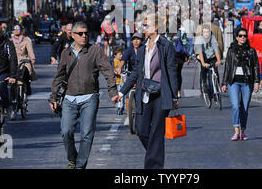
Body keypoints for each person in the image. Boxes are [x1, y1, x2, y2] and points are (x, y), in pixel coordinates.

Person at [49, 22, 118, 169]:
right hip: (69, 98)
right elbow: (59, 77)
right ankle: (72, 158)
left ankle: (80, 166)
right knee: (66, 131)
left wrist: (113, 92)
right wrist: (53, 97)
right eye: (80, 33)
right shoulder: (65, 53)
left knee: (87, 134)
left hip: (89, 98)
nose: (84, 36)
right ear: (72, 35)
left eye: (86, 33)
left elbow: (107, 70)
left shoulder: (95, 50)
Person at [117, 13, 179, 169]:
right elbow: (136, 73)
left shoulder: (166, 45)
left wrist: (174, 95)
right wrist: (121, 92)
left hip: (161, 94)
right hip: (144, 93)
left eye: (146, 25)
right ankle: (155, 155)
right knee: (142, 130)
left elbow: (172, 71)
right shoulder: (143, 47)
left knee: (157, 132)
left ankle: (154, 167)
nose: (143, 28)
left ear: (156, 27)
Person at [221, 28, 260, 141]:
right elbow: (227, 66)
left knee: (245, 107)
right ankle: (236, 130)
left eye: (244, 35)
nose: (243, 37)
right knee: (235, 105)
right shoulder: (231, 50)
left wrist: (257, 81)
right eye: (240, 35)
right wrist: (224, 82)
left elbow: (255, 67)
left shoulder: (251, 51)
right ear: (236, 37)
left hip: (247, 81)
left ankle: (243, 131)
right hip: (233, 81)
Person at [10, 24, 36, 120]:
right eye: (14, 28)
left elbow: (30, 51)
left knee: (24, 73)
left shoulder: (26, 40)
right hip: (13, 63)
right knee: (11, 82)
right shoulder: (10, 41)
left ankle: (26, 89)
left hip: (24, 62)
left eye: (18, 28)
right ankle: (13, 103)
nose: (16, 30)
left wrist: (32, 58)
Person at [195, 24, 221, 99]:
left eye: (208, 32)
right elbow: (199, 51)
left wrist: (219, 60)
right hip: (203, 56)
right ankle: (205, 86)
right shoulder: (199, 39)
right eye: (204, 32)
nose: (206, 34)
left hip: (212, 56)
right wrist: (203, 63)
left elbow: (216, 49)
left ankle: (216, 90)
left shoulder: (212, 37)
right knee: (204, 70)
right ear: (202, 33)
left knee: (215, 71)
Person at [112, 46, 125, 115]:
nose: (121, 56)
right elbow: (112, 70)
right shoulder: (113, 61)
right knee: (117, 95)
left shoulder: (122, 62)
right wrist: (115, 72)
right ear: (115, 55)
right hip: (115, 81)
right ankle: (118, 107)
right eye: (119, 54)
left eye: (122, 54)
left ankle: (121, 107)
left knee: (121, 95)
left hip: (122, 81)